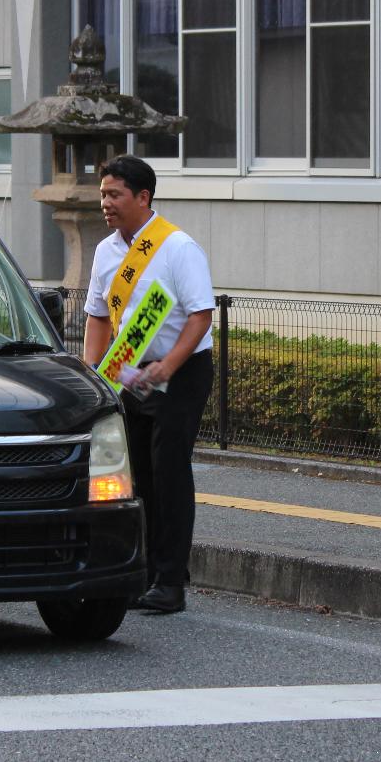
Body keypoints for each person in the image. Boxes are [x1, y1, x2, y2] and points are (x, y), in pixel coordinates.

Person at [82, 155, 215, 615]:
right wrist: (92, 373)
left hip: (181, 372)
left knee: (170, 467)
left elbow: (200, 315)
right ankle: (146, 572)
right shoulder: (105, 252)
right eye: (103, 194)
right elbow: (98, 317)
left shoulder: (177, 247)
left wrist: (169, 366)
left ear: (143, 198)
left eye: (114, 194)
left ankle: (171, 579)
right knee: (136, 472)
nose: (106, 203)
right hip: (128, 374)